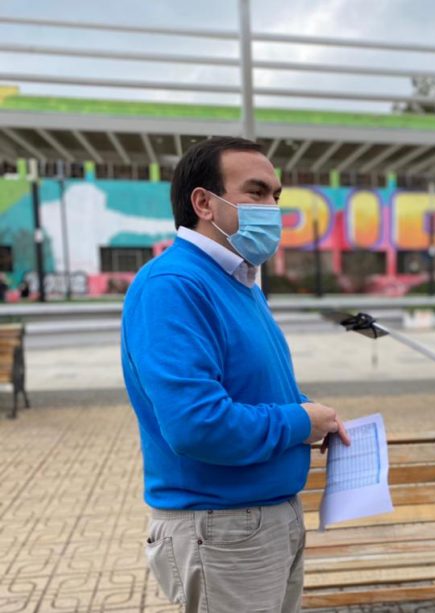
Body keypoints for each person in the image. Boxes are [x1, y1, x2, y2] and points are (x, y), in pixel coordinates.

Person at [121, 136, 350, 613]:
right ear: (203, 202)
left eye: (276, 195)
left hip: (258, 520)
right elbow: (197, 424)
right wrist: (300, 422)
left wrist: (312, 414)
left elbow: (255, 387)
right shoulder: (174, 285)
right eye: (257, 192)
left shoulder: (237, 282)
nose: (272, 207)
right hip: (221, 526)